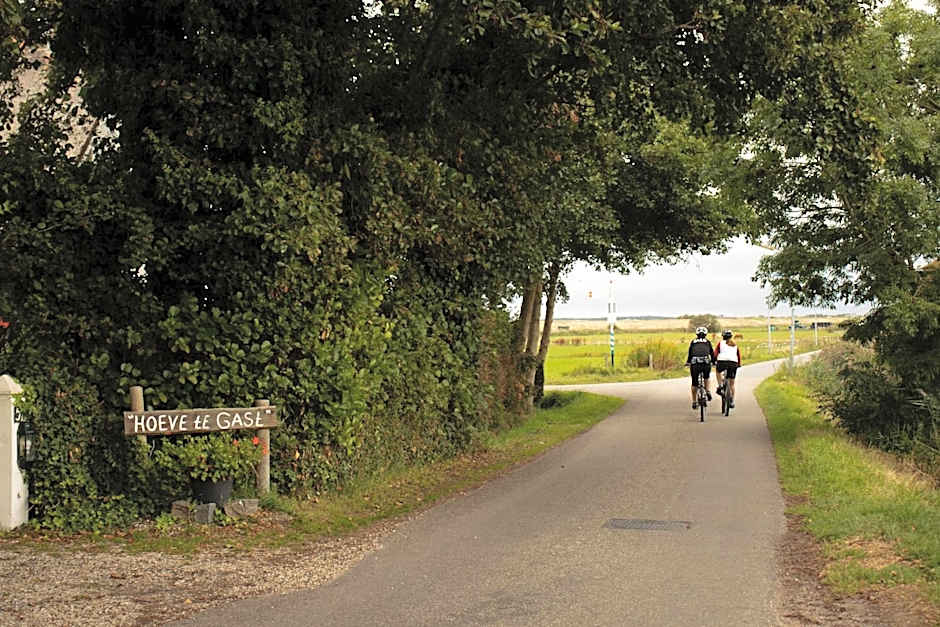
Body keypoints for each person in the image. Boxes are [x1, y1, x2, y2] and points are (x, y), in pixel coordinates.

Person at [685, 326, 715, 410]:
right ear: (705, 334)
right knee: (706, 377)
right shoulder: (707, 342)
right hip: (706, 363)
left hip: (695, 364)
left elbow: (690, 353)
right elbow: (711, 353)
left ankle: (694, 402)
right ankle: (708, 391)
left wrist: (688, 362)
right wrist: (713, 362)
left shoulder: (693, 342)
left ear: (696, 334)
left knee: (694, 383)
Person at [714, 329, 742, 408]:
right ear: (731, 336)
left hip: (722, 362)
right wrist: (738, 364)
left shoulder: (720, 343)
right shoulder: (735, 344)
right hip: (733, 363)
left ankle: (720, 386)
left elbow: (716, 353)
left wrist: (714, 360)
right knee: (732, 384)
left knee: (717, 371)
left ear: (723, 336)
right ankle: (732, 401)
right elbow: (738, 355)